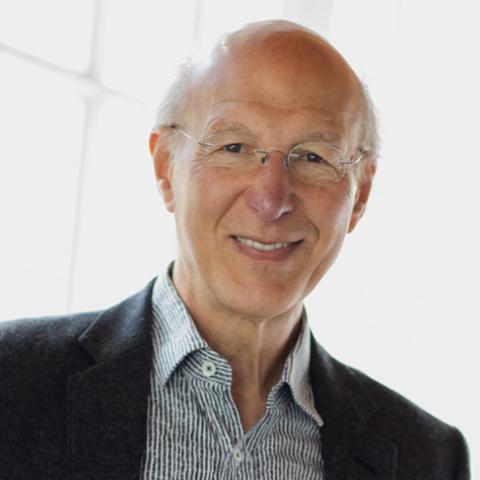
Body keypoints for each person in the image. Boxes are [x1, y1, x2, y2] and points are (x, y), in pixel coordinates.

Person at [0, 19, 470, 480]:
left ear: (360, 195)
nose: (271, 199)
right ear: (166, 169)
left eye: (313, 157)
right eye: (234, 147)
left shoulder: (427, 458)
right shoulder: (12, 382)